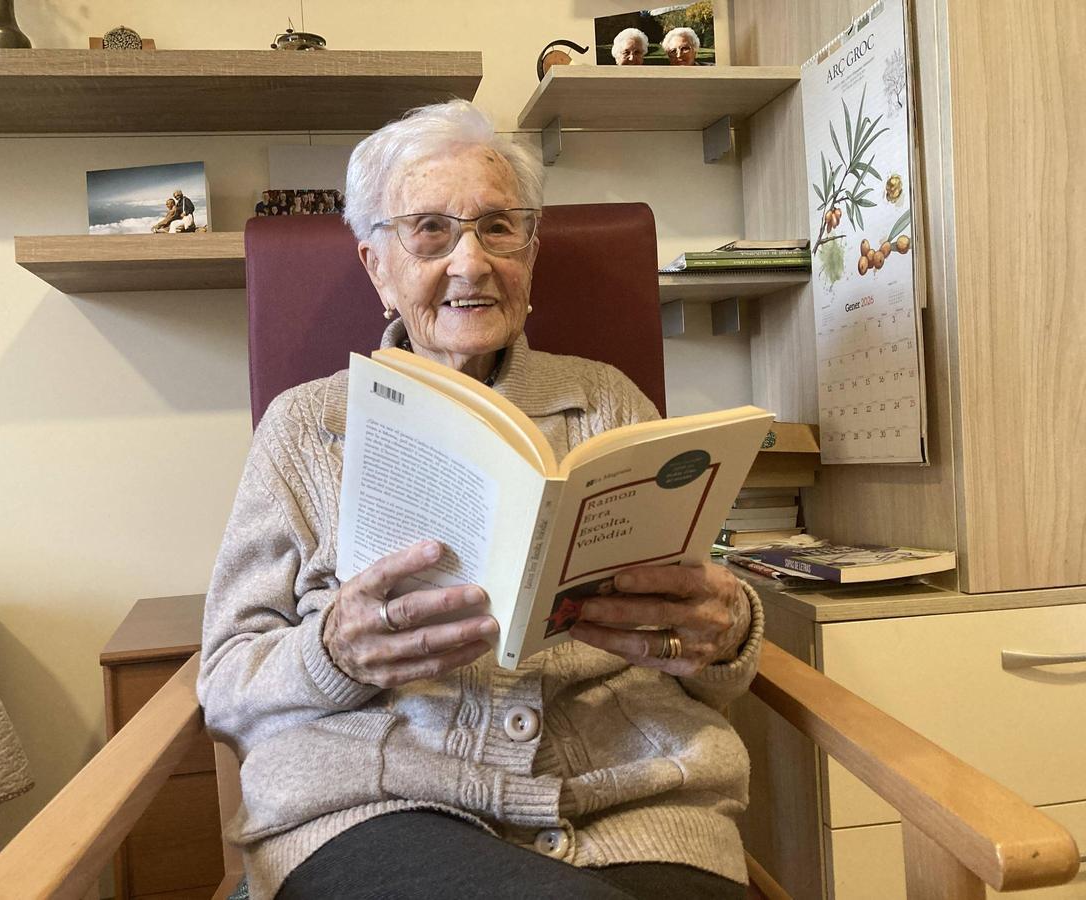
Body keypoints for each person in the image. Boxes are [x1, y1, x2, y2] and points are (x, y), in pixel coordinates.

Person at [197, 99, 763, 900]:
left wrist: (729, 629)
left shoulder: (608, 403)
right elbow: (224, 680)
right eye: (430, 229)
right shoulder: (307, 427)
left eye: (499, 228)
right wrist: (332, 654)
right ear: (376, 266)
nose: (471, 262)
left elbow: (706, 648)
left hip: (633, 807)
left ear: (530, 254)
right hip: (376, 809)